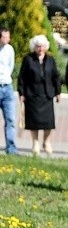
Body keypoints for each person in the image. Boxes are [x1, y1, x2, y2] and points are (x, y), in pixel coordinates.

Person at [17, 35, 61, 157]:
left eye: (42, 46)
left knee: (48, 122)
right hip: (32, 95)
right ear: (34, 47)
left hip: (47, 95)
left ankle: (46, 142)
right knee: (34, 122)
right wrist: (21, 93)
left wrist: (58, 92)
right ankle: (35, 143)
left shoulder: (50, 60)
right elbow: (22, 77)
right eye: (37, 46)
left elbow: (56, 77)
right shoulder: (28, 59)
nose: (40, 49)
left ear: (46, 47)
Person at [0, 27, 18, 155]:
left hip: (7, 87)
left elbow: (11, 66)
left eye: (8, 37)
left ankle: (11, 148)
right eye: (4, 37)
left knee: (10, 119)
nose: (7, 39)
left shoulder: (10, 50)